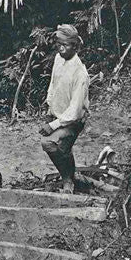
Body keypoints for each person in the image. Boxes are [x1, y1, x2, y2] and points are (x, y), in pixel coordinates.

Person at [39, 24, 90, 194]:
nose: (61, 48)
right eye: (59, 43)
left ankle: (68, 178)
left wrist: (53, 126)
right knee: (63, 149)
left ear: (75, 46)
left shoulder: (80, 74)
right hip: (58, 115)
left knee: (49, 143)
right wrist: (49, 107)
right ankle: (71, 175)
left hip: (73, 120)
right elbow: (53, 85)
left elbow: (75, 111)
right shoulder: (58, 59)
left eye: (66, 44)